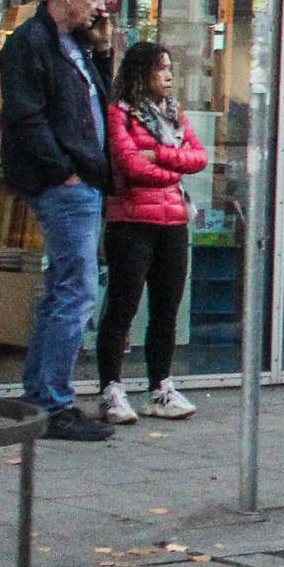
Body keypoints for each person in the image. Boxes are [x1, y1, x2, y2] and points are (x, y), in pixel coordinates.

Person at [0, 0, 116, 442]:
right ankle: (55, 401)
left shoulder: (74, 45)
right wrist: (62, 172)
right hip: (65, 182)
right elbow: (26, 116)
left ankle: (41, 394)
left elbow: (94, 103)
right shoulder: (30, 43)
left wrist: (104, 52)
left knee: (64, 288)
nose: (100, 7)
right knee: (77, 290)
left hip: (81, 177)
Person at [97, 43, 206, 423]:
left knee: (166, 309)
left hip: (173, 222)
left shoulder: (175, 115)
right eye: (161, 69)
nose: (169, 76)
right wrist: (175, 169)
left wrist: (160, 157)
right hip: (131, 222)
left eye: (170, 68)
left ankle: (160, 386)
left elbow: (199, 156)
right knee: (122, 307)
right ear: (141, 73)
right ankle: (110, 389)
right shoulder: (120, 114)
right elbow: (129, 165)